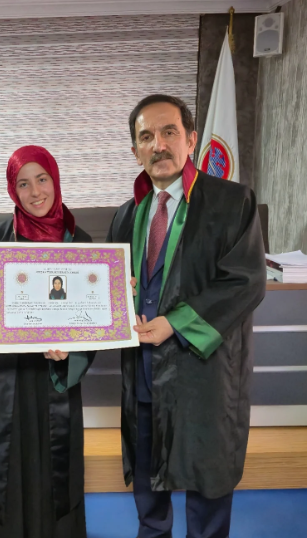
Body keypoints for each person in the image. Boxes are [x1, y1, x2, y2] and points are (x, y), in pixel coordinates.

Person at [106, 94, 267, 538]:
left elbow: (246, 281)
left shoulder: (232, 202)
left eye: (169, 132)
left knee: (207, 484)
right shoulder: (127, 215)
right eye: (146, 137)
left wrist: (175, 322)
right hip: (143, 372)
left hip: (203, 374)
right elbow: (111, 290)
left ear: (191, 139)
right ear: (135, 150)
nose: (158, 145)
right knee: (147, 484)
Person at [0, 145, 94, 538]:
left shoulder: (80, 242)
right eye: (23, 183)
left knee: (54, 475)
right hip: (5, 380)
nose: (35, 192)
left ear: (55, 180)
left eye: (42, 179)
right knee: (0, 473)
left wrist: (73, 349)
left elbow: (91, 322)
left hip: (54, 380)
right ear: (12, 189)